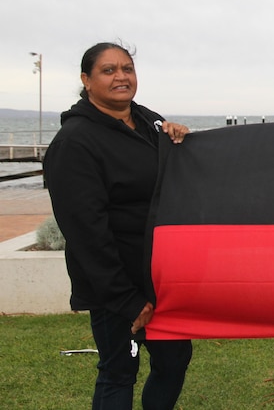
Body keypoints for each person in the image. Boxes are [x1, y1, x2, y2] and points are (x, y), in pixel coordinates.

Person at [44, 42, 194, 409]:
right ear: (87, 80)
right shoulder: (75, 142)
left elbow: (171, 176)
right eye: (108, 70)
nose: (121, 76)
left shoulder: (147, 121)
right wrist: (125, 299)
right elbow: (85, 231)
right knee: (118, 372)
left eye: (127, 68)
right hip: (115, 285)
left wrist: (176, 137)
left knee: (174, 361)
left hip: (160, 278)